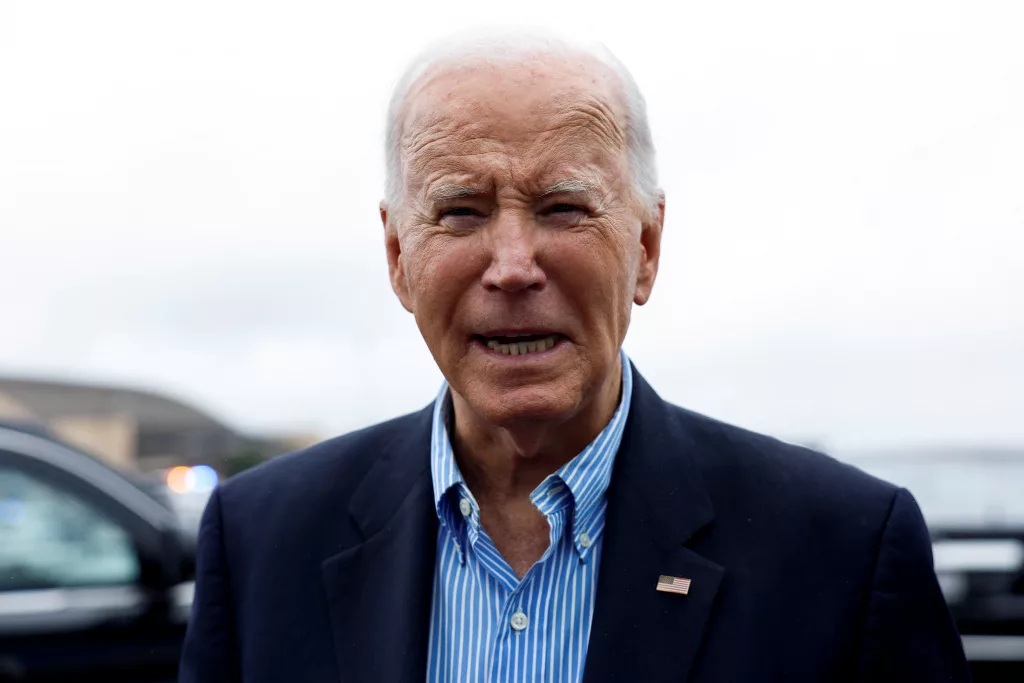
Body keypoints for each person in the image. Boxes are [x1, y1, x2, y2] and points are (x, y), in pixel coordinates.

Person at [179, 32, 971, 683]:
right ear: (397, 257)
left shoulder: (845, 552)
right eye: (461, 211)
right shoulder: (259, 544)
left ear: (647, 249)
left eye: (563, 208)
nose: (514, 264)